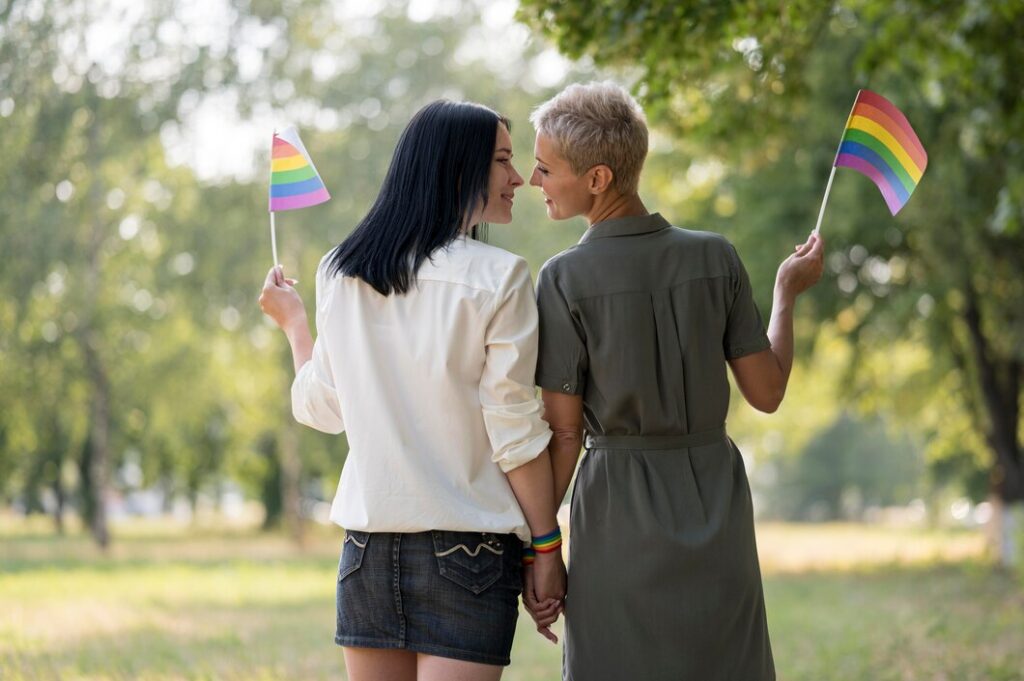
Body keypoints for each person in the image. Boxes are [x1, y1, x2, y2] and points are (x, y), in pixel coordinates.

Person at [523, 81, 825, 680]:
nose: (534, 181)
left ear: (598, 178)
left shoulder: (563, 279)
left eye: (544, 168)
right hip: (716, 503)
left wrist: (542, 551)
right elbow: (767, 394)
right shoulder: (716, 257)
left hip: (616, 513)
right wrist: (786, 295)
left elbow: (563, 436)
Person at [259, 100, 566, 681]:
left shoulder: (340, 270)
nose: (519, 177)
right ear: (459, 170)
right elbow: (515, 433)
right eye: (503, 160)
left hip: (366, 554)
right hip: (468, 553)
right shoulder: (501, 277)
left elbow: (322, 407)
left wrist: (294, 326)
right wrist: (545, 548)